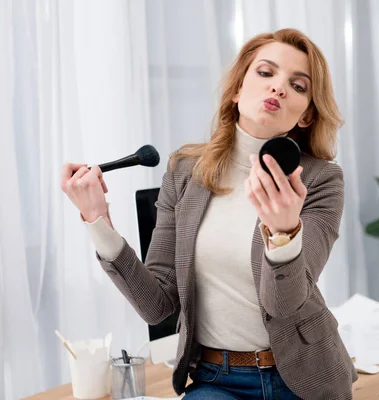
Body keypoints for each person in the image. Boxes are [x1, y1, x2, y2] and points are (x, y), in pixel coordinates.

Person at [61, 28, 357, 400]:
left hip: (303, 379)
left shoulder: (320, 180)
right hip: (218, 379)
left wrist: (283, 233)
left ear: (307, 116)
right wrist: (97, 221)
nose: (279, 88)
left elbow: (282, 304)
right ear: (237, 90)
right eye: (266, 73)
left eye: (298, 86)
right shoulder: (185, 171)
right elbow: (157, 305)